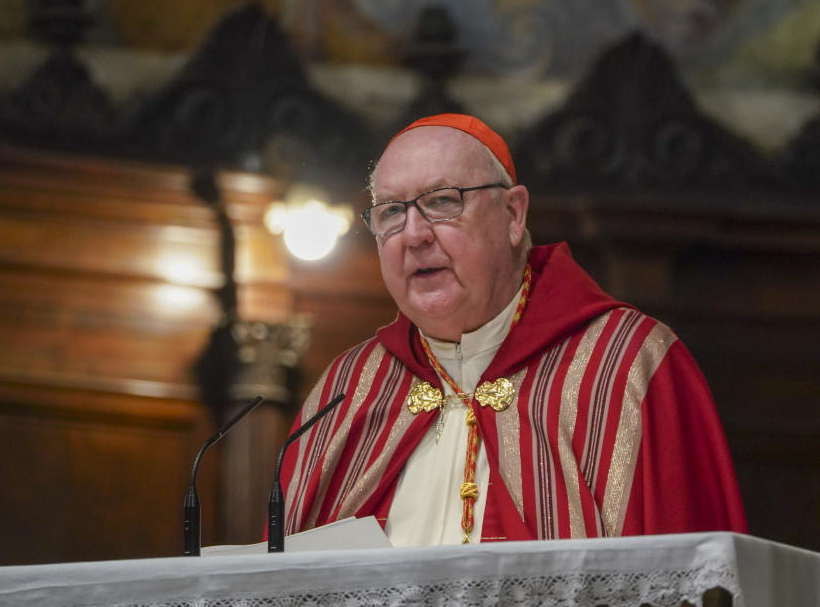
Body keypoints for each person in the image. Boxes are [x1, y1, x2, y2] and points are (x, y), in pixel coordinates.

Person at [279, 113, 747, 545]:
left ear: (512, 215)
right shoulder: (347, 393)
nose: (414, 234)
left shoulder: (627, 366)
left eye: (442, 201)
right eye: (390, 212)